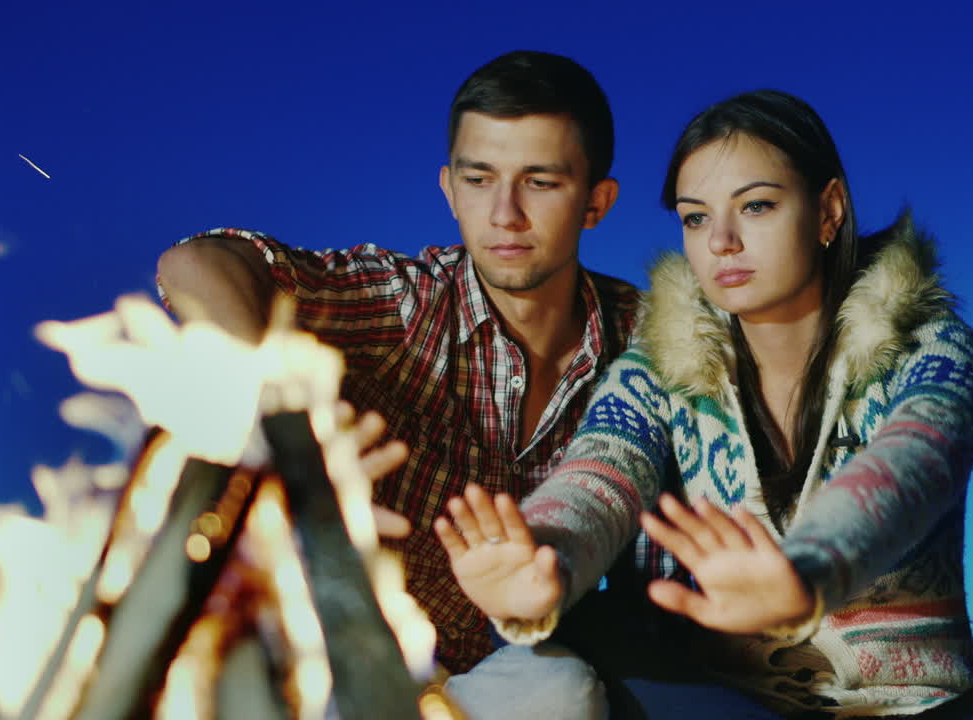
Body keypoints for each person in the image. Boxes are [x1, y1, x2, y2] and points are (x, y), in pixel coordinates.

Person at [436, 89, 973, 718]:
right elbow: (603, 471)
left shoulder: (935, 349)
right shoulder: (658, 367)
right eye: (695, 217)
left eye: (757, 206)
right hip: (727, 705)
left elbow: (912, 462)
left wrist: (807, 572)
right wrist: (546, 554)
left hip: (909, 709)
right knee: (591, 620)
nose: (722, 242)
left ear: (828, 211)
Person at [156, 50, 639, 718]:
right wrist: (284, 422)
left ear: (596, 202)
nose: (504, 214)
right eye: (479, 179)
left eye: (541, 182)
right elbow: (199, 262)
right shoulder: (403, 305)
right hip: (337, 659)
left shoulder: (638, 338)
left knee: (564, 694)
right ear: (449, 189)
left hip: (497, 665)